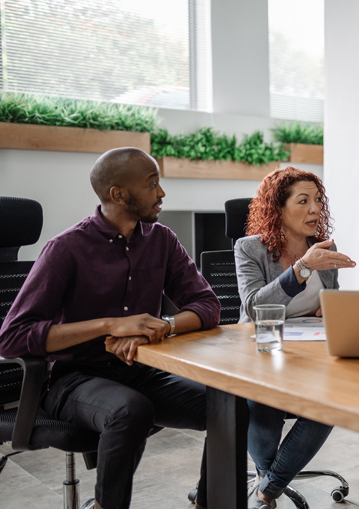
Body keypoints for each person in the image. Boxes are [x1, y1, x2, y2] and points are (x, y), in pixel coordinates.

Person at [0, 148, 221, 509]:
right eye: (152, 184)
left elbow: (208, 306)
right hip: (73, 380)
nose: (162, 193)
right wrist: (110, 326)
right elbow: (12, 337)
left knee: (228, 402)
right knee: (130, 410)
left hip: (141, 370)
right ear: (118, 194)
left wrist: (161, 326)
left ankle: (210, 501)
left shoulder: (161, 240)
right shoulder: (66, 249)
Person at [234, 167, 356, 508]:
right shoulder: (249, 249)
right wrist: (303, 267)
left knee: (331, 403)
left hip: (314, 352)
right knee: (263, 401)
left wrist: (331, 309)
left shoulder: (323, 248)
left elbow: (330, 299)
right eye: (303, 201)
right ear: (278, 208)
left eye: (318, 200)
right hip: (263, 350)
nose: (315, 209)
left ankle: (267, 487)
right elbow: (255, 307)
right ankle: (269, 481)